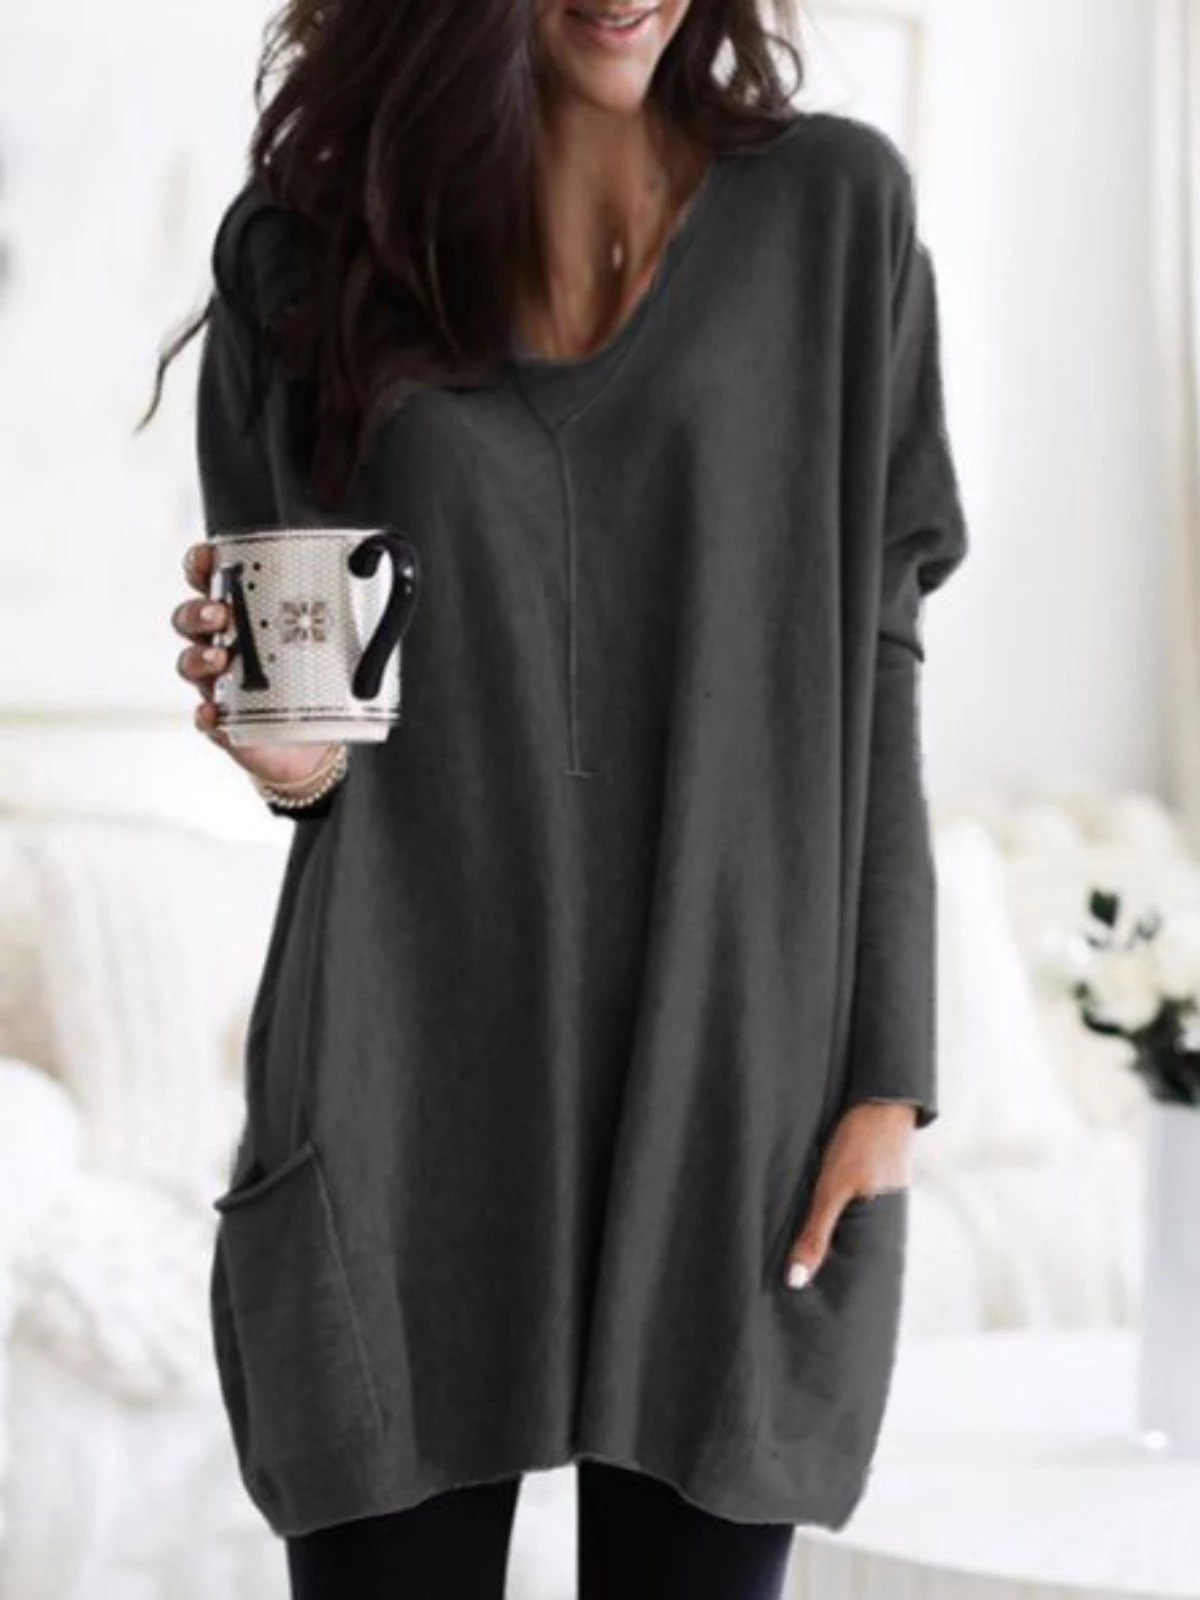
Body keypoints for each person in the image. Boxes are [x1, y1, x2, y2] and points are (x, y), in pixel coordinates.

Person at [155, 0, 970, 1594]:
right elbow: (309, 707)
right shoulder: (303, 252)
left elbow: (878, 660)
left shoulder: (837, 220)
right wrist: (286, 759)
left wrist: (889, 1077)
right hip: (400, 1081)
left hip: (732, 1083)